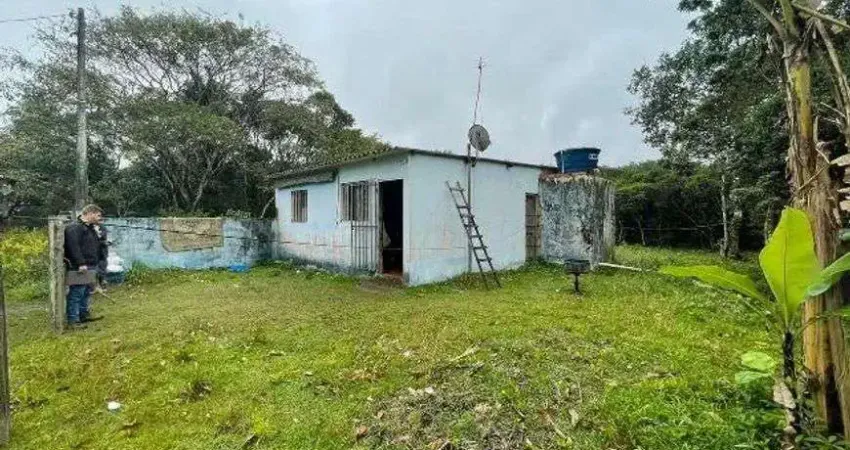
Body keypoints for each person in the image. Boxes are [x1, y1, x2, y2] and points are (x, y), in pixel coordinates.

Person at [64, 204, 105, 329]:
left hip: (90, 264)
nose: (100, 218)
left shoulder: (89, 228)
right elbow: (73, 247)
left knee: (86, 292)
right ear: (90, 213)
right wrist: (81, 263)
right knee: (77, 292)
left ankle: (83, 315)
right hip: (80, 266)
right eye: (98, 215)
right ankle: (73, 320)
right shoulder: (74, 227)